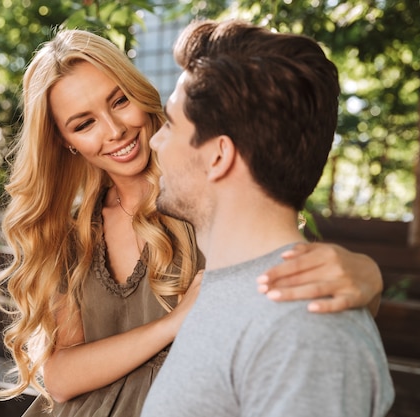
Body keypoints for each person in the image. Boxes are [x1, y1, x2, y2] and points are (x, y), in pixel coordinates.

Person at [0, 27, 386, 417]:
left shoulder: (202, 198)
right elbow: (59, 377)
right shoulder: (74, 233)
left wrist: (368, 277)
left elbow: (277, 275)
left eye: (120, 100)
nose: (114, 130)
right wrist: (172, 324)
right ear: (65, 141)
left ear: (140, 93)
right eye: (84, 123)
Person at [141, 20, 395, 417]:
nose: (155, 140)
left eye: (171, 123)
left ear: (218, 156)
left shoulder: (304, 330)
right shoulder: (230, 288)